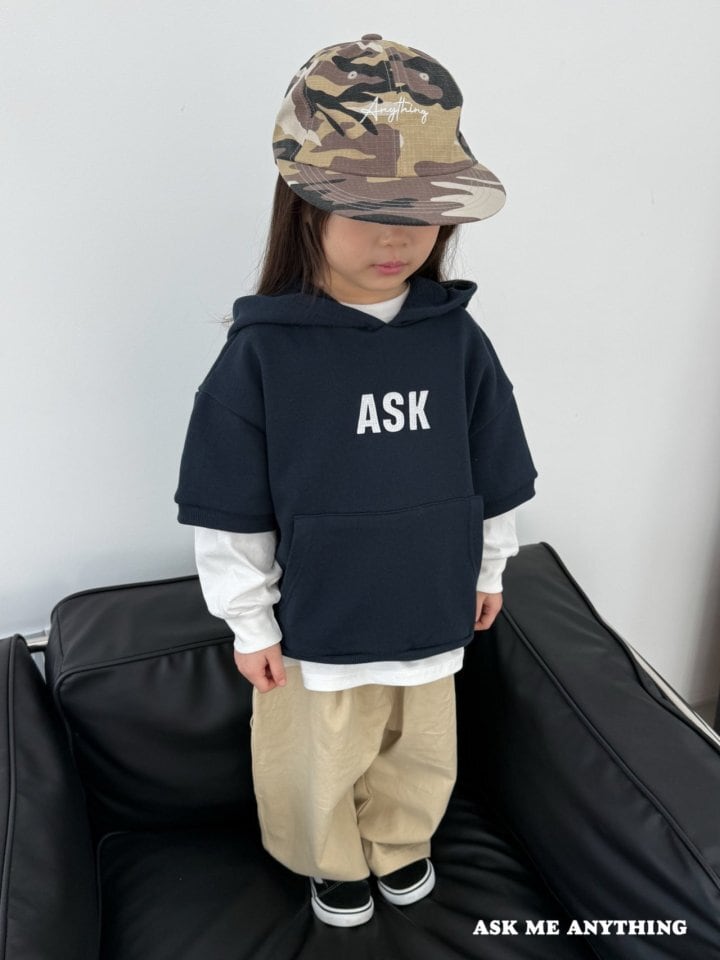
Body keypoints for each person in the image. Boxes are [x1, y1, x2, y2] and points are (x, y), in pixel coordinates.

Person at [174, 33, 538, 928]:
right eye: (369, 207)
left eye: (420, 209)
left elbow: (494, 464)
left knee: (422, 749)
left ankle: (401, 843)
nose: (397, 236)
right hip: (319, 626)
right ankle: (329, 859)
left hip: (430, 605)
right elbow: (228, 506)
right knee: (315, 758)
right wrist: (248, 619)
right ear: (305, 206)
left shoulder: (456, 340)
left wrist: (490, 566)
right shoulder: (262, 355)